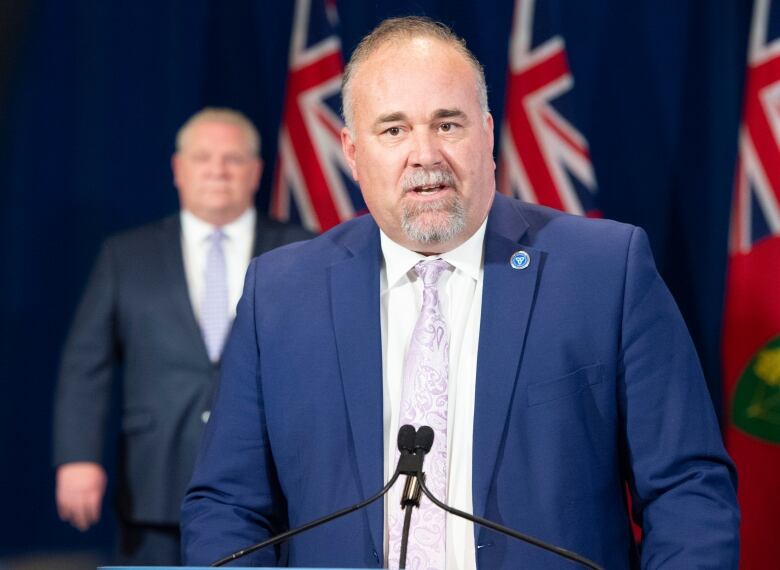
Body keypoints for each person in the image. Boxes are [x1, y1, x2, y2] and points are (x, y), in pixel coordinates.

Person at [181, 18, 739, 569]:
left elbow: (687, 488)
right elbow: (226, 507)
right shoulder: (280, 295)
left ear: (488, 133)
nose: (425, 154)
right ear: (352, 152)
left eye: (448, 124)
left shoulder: (604, 272)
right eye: (394, 130)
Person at [52, 107, 312, 565]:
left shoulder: (300, 251)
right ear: (178, 169)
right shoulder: (125, 255)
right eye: (203, 157)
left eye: (232, 159)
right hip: (152, 487)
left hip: (266, 488)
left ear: (255, 172)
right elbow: (85, 366)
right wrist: (77, 456)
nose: (217, 170)